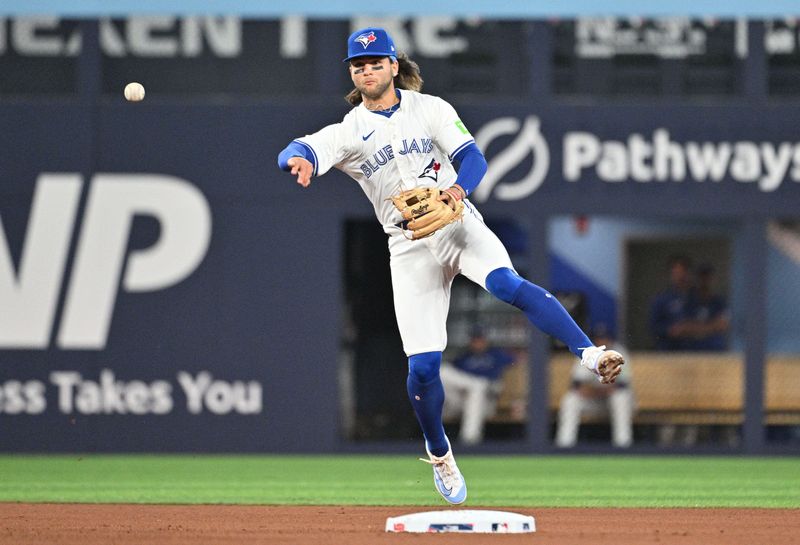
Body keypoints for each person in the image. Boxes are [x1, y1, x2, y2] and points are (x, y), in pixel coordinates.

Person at [277, 27, 624, 505]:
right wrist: (299, 162)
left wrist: (457, 191)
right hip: (408, 248)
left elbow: (473, 159)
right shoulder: (349, 131)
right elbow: (296, 148)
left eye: (376, 61)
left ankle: (590, 355)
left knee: (505, 283)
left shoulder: (432, 108)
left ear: (394, 66)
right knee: (422, 368)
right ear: (353, 75)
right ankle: (440, 453)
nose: (367, 69)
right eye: (359, 64)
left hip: (458, 223)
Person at [555, 326, 635, 448]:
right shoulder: (587, 352)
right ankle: (565, 446)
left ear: (610, 339)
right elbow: (577, 385)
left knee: (620, 398)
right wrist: (598, 390)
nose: (601, 341)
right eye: (598, 338)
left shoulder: (618, 353)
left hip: (611, 400)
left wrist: (595, 390)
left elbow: (622, 385)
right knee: (571, 399)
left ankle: (623, 445)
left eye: (604, 338)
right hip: (593, 401)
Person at [441, 328, 516, 445]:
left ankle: (470, 440)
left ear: (486, 341)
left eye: (480, 340)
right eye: (475, 340)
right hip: (460, 401)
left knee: (478, 390)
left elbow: (514, 363)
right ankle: (474, 386)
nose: (477, 343)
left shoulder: (495, 355)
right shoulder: (465, 357)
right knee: (443, 370)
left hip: (487, 401)